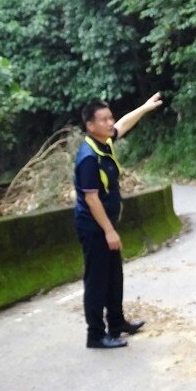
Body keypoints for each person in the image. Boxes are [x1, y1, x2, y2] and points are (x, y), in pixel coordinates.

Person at [75, 92, 163, 349]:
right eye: (103, 120)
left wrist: (144, 107)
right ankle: (95, 335)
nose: (110, 123)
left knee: (114, 275)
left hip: (106, 224)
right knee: (96, 281)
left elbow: (123, 124)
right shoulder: (88, 158)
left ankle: (116, 323)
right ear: (90, 125)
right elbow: (91, 198)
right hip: (94, 227)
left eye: (110, 117)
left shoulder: (103, 143)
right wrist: (109, 231)